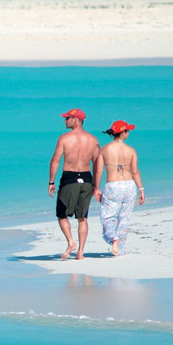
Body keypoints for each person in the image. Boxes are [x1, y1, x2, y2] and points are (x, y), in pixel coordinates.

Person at [48, 108, 100, 260]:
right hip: (87, 178)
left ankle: (71, 242)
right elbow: (97, 165)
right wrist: (96, 186)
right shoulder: (93, 140)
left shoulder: (64, 138)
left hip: (69, 178)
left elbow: (55, 161)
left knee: (62, 214)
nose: (65, 121)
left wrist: (51, 181)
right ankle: (81, 252)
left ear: (75, 120)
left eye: (67, 118)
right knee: (82, 217)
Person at [94, 120, 145, 256]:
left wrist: (97, 188)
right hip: (129, 185)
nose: (128, 133)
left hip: (113, 186)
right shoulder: (131, 150)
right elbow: (135, 172)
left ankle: (113, 238)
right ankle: (120, 249)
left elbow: (98, 171)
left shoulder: (104, 149)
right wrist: (141, 189)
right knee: (124, 219)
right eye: (127, 130)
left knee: (108, 217)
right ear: (123, 133)